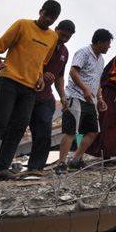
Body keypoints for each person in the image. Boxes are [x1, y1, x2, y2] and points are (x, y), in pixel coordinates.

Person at [0, 0, 61, 181]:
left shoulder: (52, 38)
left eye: (52, 18)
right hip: (9, 80)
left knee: (19, 126)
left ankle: (0, 168)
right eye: (46, 16)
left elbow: (41, 61)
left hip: (30, 88)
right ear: (40, 11)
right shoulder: (23, 25)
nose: (48, 20)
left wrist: (40, 76)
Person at [56, 29, 112, 174]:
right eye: (107, 43)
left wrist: (99, 98)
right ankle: (61, 163)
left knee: (94, 130)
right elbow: (73, 72)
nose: (109, 47)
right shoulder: (83, 52)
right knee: (70, 130)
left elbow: (97, 80)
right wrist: (85, 89)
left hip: (90, 100)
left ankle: (76, 160)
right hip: (76, 96)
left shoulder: (101, 59)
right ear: (99, 42)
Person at [25, 20, 75, 176]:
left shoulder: (65, 52)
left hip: (46, 96)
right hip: (27, 91)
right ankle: (2, 166)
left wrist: (62, 96)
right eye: (62, 34)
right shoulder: (44, 43)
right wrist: (40, 73)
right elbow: (29, 61)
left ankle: (36, 167)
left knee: (44, 130)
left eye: (68, 37)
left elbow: (59, 76)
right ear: (56, 29)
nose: (64, 39)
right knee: (16, 127)